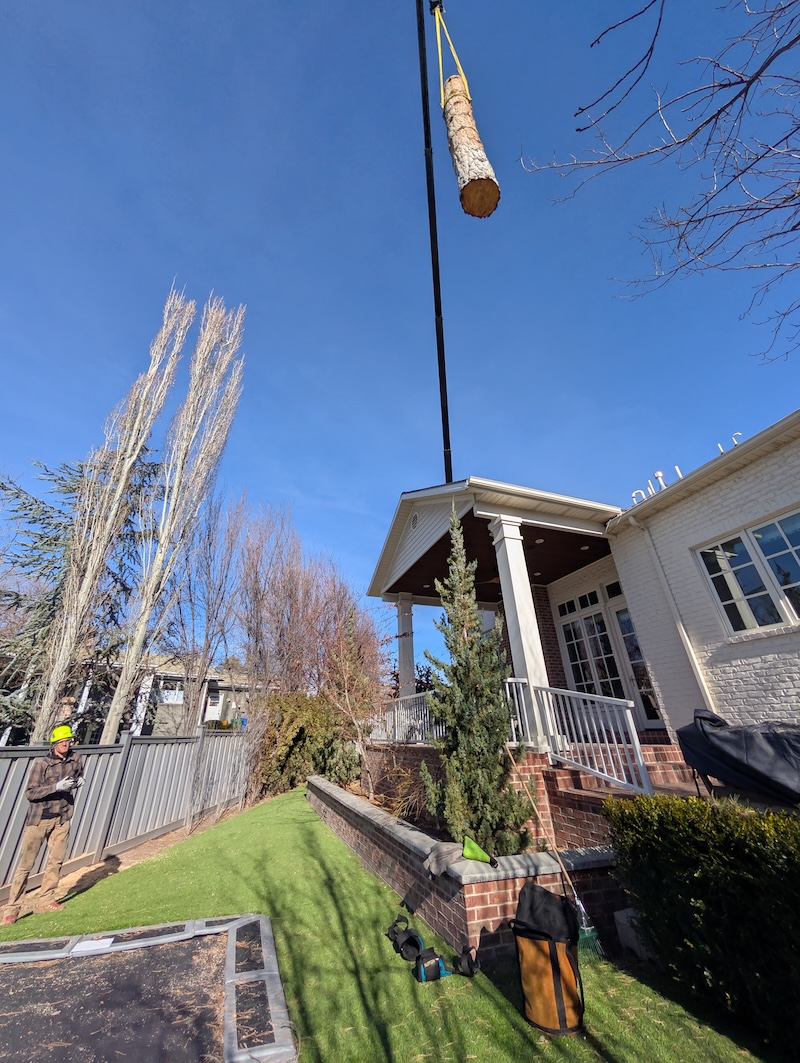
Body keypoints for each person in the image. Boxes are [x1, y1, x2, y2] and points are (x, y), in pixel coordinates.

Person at [1, 725, 84, 925]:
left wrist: (78, 781)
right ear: (54, 744)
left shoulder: (76, 759)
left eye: (68, 740)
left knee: (56, 860)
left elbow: (79, 774)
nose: (65, 744)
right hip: (39, 819)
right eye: (62, 741)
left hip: (62, 817)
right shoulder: (42, 764)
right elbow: (30, 793)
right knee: (25, 865)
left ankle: (46, 900)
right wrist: (55, 787)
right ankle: (12, 909)